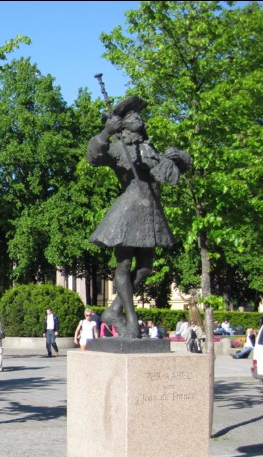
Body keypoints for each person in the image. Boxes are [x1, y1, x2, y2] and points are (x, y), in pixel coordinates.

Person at [87, 95, 191, 338]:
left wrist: (180, 158)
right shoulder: (117, 147)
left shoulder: (149, 147)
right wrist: (105, 132)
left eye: (137, 114)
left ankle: (114, 311)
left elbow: (169, 175)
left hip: (151, 212)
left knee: (145, 267)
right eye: (131, 115)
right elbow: (93, 157)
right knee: (123, 264)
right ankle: (131, 319)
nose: (137, 117)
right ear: (121, 123)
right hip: (129, 211)